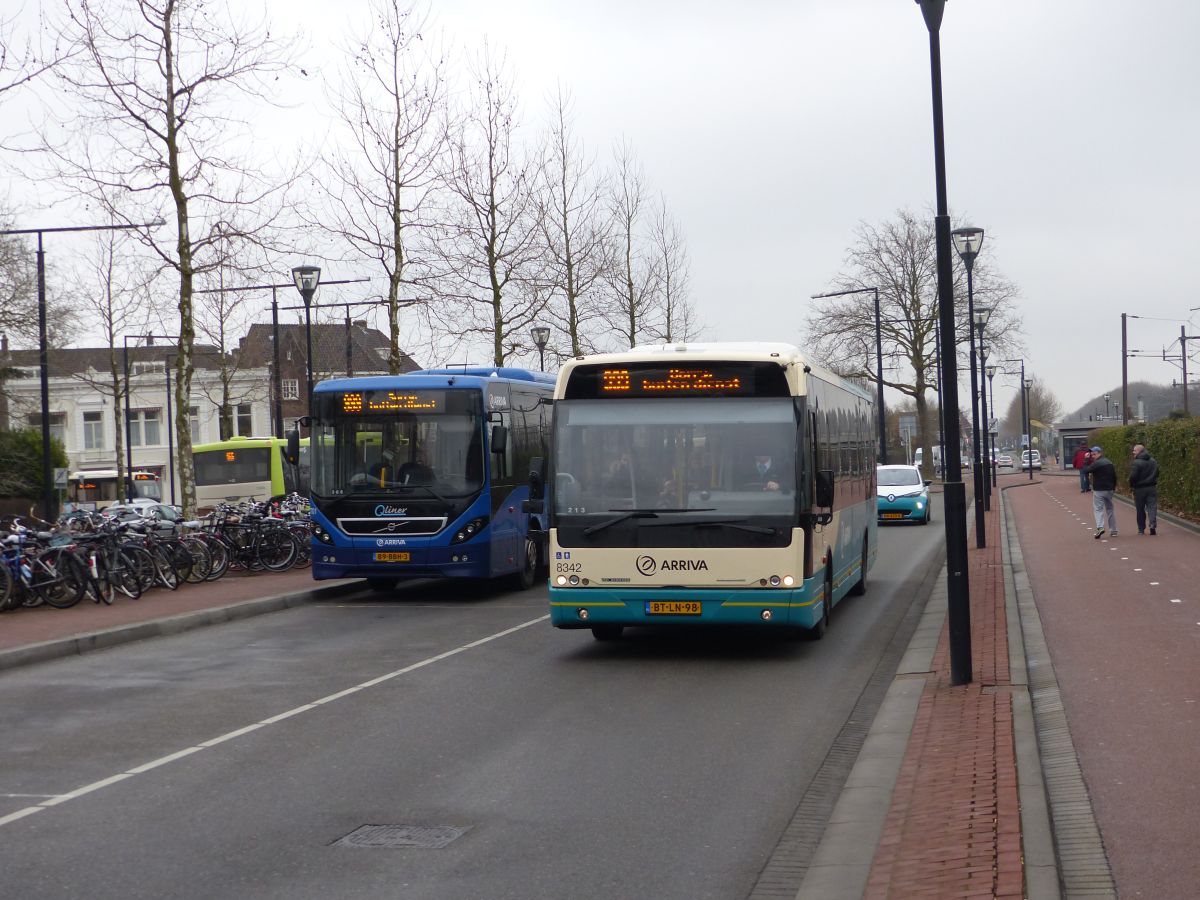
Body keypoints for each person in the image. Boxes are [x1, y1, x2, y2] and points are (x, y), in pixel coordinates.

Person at [1081, 446, 1118, 538]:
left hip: (1099, 490)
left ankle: (1100, 527)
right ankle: (1113, 530)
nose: (1092, 456)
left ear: (1099, 453)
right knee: (1110, 509)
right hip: (1109, 489)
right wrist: (1113, 487)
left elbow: (1085, 470)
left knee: (1098, 509)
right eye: (1092, 454)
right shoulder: (1109, 462)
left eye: (1094, 454)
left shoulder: (1097, 464)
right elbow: (1114, 476)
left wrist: (1086, 459)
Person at [1129, 443, 1159, 535]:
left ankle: (1141, 529)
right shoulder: (1153, 461)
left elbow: (1133, 477)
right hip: (1151, 487)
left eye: (1134, 450)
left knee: (1140, 509)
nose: (1133, 452)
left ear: (1139, 451)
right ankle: (1152, 525)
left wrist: (1132, 484)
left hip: (1139, 489)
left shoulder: (1137, 462)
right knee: (1152, 507)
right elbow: (1157, 473)